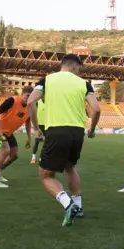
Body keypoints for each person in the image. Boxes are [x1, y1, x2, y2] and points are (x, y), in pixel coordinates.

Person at [28, 54, 101, 227]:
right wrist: (91, 130)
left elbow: (31, 101)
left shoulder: (47, 80)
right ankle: (79, 206)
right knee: (70, 166)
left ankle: (69, 204)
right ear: (75, 66)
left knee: (45, 175)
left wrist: (37, 128)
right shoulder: (84, 83)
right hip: (77, 132)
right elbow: (96, 109)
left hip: (56, 130)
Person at [0, 86, 34, 188]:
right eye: (27, 95)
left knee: (14, 155)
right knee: (4, 151)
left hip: (8, 133)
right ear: (22, 94)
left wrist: (29, 138)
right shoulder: (12, 100)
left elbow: (28, 123)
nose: (29, 98)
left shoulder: (30, 107)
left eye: (31, 96)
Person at [30, 98, 47, 164]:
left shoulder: (49, 102)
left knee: (46, 142)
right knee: (37, 141)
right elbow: (33, 113)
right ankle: (33, 157)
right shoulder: (37, 102)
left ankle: (42, 157)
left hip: (48, 125)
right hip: (39, 125)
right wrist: (34, 125)